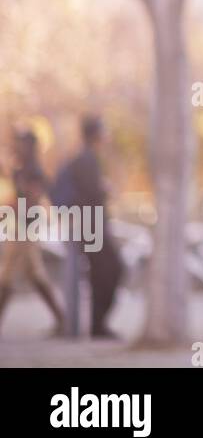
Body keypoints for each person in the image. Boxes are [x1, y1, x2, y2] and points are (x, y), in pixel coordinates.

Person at [52, 115, 124, 338]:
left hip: (88, 225)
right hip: (93, 227)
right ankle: (97, 325)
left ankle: (97, 325)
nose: (106, 136)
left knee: (100, 274)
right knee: (113, 269)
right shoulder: (87, 159)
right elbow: (91, 193)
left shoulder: (82, 158)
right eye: (103, 131)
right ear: (95, 134)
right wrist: (105, 189)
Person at [0, 129, 65, 336]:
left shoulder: (34, 170)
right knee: (35, 274)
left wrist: (13, 208)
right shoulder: (20, 169)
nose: (18, 146)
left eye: (21, 143)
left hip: (25, 228)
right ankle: (62, 320)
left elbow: (32, 199)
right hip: (19, 226)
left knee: (8, 274)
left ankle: (62, 320)